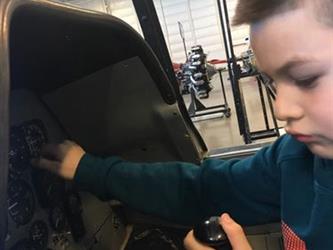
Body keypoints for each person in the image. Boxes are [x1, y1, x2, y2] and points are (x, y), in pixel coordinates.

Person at [32, 0, 333, 249]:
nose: (281, 109)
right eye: (272, 81)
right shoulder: (297, 157)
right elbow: (204, 190)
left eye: (306, 78)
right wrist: (90, 169)